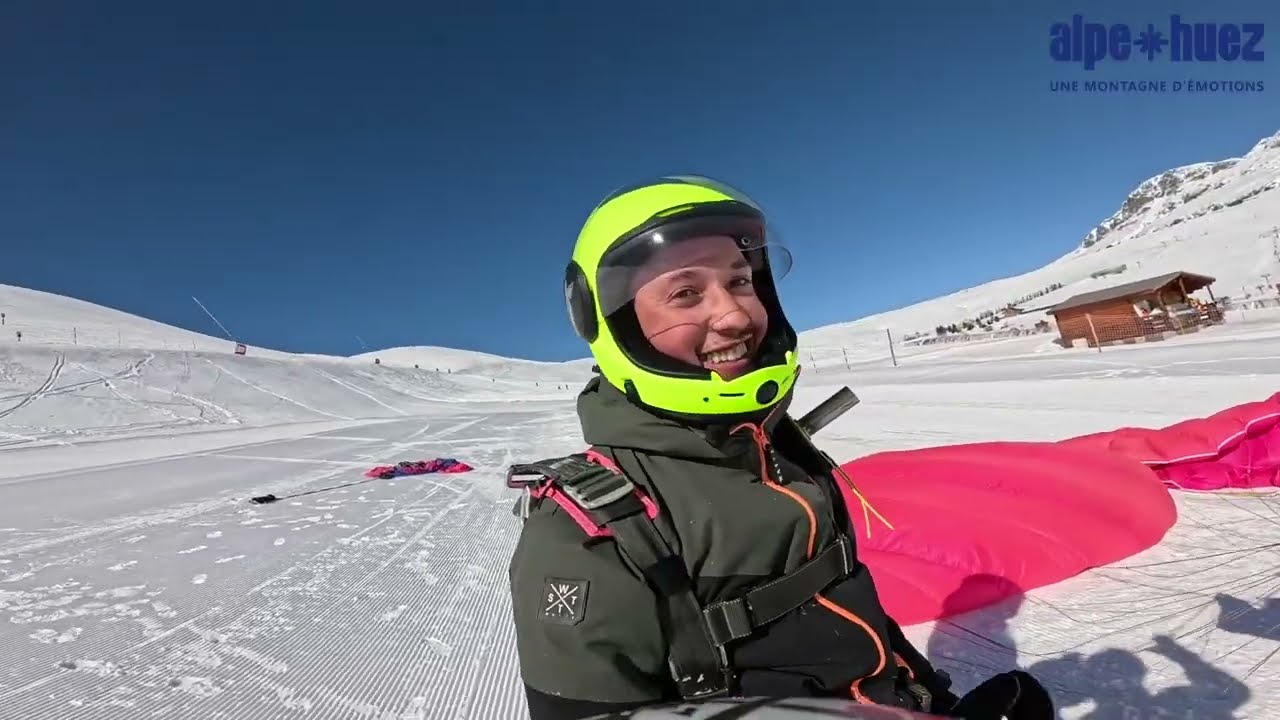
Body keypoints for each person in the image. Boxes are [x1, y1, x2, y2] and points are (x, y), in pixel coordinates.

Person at [505, 175, 1053, 720]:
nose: (735, 315)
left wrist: (932, 698)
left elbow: (847, 610)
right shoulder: (590, 531)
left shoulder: (779, 449)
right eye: (685, 293)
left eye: (740, 281)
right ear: (615, 323)